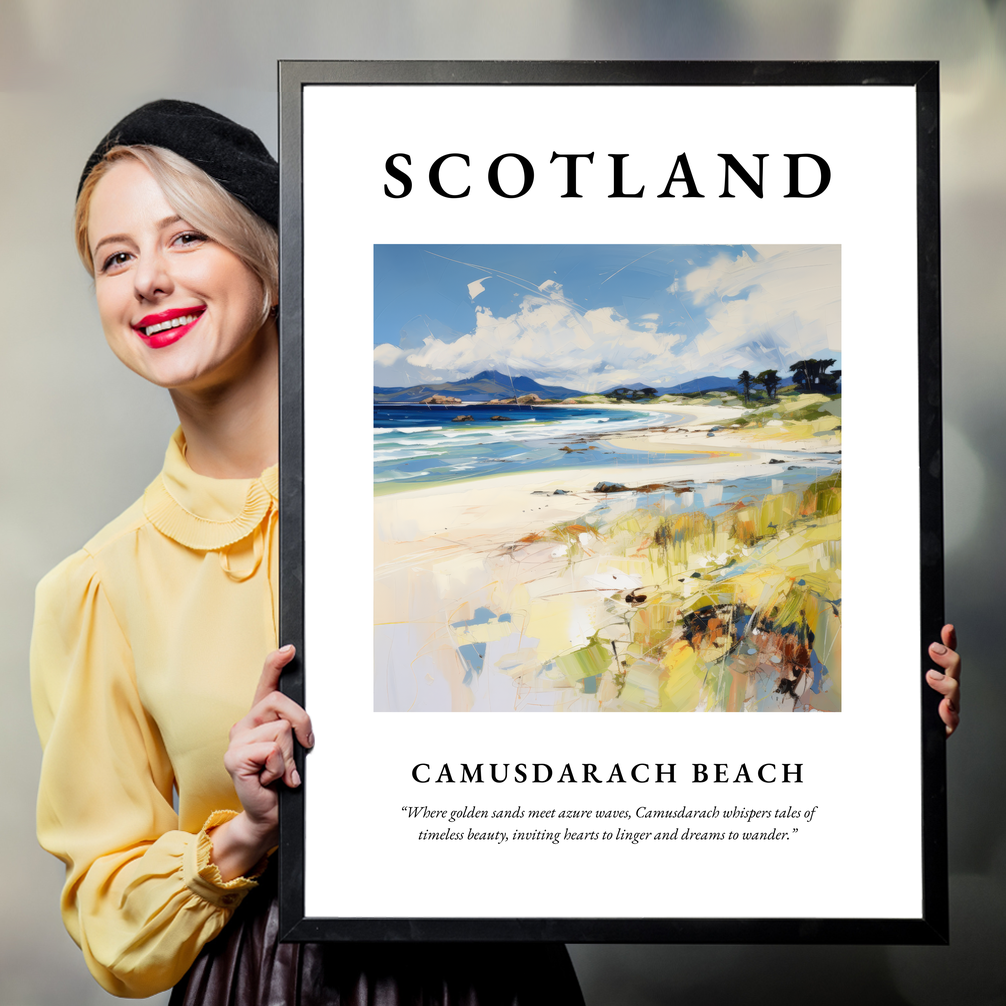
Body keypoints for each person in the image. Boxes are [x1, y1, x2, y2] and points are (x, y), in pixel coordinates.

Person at [30, 100, 585, 1004]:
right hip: (263, 981)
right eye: (116, 257)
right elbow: (110, 923)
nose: (148, 281)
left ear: (273, 264)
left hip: (493, 972)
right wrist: (245, 832)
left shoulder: (459, 500)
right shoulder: (97, 587)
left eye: (186, 239)